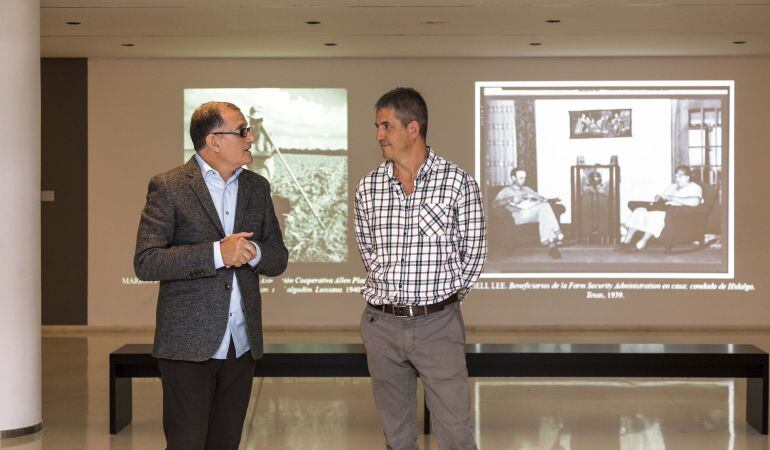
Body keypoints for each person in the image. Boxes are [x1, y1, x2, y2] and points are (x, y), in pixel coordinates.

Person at [134, 101, 288, 450]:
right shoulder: (169, 186)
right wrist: (218, 253)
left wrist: (255, 253)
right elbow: (147, 261)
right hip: (188, 346)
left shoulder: (257, 188)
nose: (251, 138)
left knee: (226, 442)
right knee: (187, 443)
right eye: (242, 131)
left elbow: (278, 258)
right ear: (214, 141)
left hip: (241, 346)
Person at [354, 87, 487, 450]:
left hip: (437, 325)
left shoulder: (457, 182)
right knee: (396, 436)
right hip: (381, 324)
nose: (379, 135)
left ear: (413, 129)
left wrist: (443, 298)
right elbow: (369, 252)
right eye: (377, 126)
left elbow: (473, 253)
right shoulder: (368, 187)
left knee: (455, 431)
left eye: (386, 126)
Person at [621, 165, 703, 251]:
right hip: (664, 208)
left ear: (687, 177)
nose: (677, 179)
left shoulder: (694, 187)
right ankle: (627, 241)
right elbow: (663, 197)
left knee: (655, 216)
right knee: (639, 211)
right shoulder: (673, 186)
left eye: (679, 176)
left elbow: (695, 202)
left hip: (677, 213)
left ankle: (642, 242)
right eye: (676, 176)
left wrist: (672, 198)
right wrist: (659, 198)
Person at [492, 167, 564, 258]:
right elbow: (495, 204)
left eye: (524, 178)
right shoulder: (506, 191)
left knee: (544, 210)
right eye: (521, 178)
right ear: (513, 178)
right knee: (544, 208)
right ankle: (556, 233)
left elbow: (540, 198)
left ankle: (550, 244)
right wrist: (509, 199)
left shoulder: (527, 189)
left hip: (530, 213)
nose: (523, 180)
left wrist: (550, 199)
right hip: (517, 215)